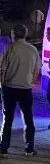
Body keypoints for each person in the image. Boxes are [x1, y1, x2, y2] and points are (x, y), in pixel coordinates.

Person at [0, 24, 42, 157]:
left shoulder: (9, 49)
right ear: (25, 34)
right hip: (25, 88)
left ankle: (4, 147)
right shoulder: (33, 50)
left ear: (13, 35)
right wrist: (31, 82)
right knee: (28, 118)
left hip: (9, 87)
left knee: (8, 118)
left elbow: (2, 69)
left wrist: (1, 85)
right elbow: (37, 70)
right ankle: (29, 148)